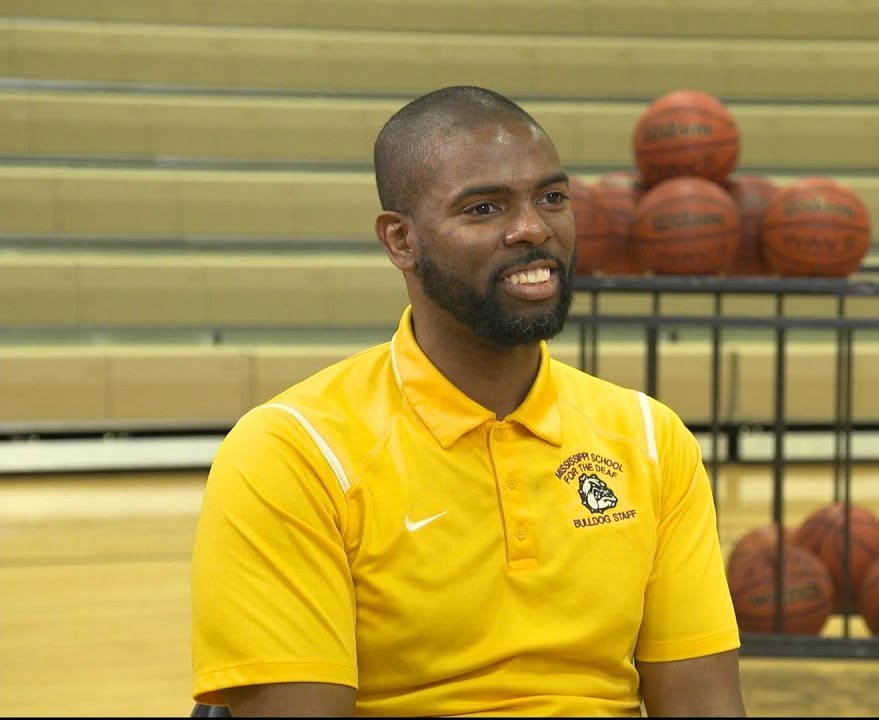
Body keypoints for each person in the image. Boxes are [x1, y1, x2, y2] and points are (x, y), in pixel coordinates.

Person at [190, 85, 745, 717]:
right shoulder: (291, 453)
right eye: (484, 209)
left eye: (552, 198)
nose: (533, 229)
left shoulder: (649, 438)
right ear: (400, 241)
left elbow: (707, 706)